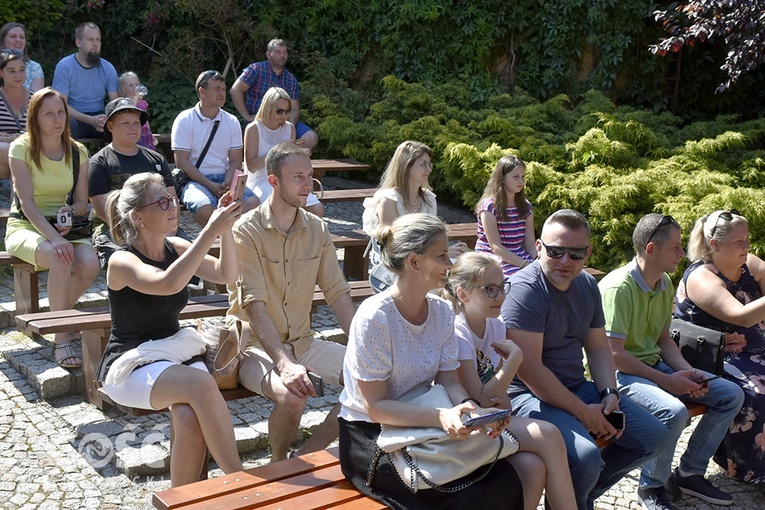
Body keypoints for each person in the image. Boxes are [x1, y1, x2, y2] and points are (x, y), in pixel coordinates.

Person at [338, 213, 525, 510]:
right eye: (441, 256)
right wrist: (441, 416)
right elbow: (376, 408)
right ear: (414, 261)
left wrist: (472, 412)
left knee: (505, 480)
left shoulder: (441, 310)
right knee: (470, 496)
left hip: (425, 424)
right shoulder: (375, 317)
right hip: (373, 438)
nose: (450, 265)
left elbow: (451, 381)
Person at [501, 208, 667, 510]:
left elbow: (599, 347)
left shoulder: (587, 285)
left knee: (653, 436)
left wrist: (608, 393)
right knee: (587, 457)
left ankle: (577, 497)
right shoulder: (526, 290)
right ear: (539, 248)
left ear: (587, 253)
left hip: (576, 386)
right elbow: (530, 371)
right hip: (526, 396)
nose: (566, 261)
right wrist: (583, 412)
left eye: (575, 254)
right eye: (556, 251)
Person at [96, 172, 243, 487]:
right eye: (161, 202)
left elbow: (227, 273)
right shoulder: (121, 261)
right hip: (131, 363)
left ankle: (180, 501)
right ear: (138, 217)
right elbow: (167, 283)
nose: (171, 206)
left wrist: (225, 230)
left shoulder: (175, 246)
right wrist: (209, 230)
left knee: (188, 418)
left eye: (172, 198)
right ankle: (243, 483)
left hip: (171, 353)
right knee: (201, 385)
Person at [599, 213, 743, 508]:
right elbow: (615, 356)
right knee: (674, 411)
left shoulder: (664, 282)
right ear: (651, 249)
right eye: (676, 248)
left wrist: (688, 373)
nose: (683, 253)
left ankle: (689, 472)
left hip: (652, 367)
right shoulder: (619, 288)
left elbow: (664, 340)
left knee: (731, 394)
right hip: (617, 375)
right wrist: (667, 381)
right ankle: (651, 486)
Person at [226, 142, 356, 462]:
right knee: (293, 396)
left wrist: (363, 347)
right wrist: (284, 363)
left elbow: (337, 292)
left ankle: (304, 458)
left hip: (304, 342)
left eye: (310, 176)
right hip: (253, 345)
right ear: (273, 181)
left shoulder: (318, 228)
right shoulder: (246, 229)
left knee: (371, 378)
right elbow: (253, 304)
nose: (307, 184)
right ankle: (278, 463)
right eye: (298, 176)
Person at [440, 251, 576, 508]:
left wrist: (501, 403)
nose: (500, 296)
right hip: (461, 425)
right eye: (490, 290)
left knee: (533, 467)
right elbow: (478, 397)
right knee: (548, 435)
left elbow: (497, 394)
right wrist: (516, 358)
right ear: (463, 294)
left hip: (489, 418)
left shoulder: (495, 325)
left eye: (502, 287)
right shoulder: (458, 332)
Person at [5, 88, 100, 368]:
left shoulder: (78, 151)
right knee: (61, 257)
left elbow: (83, 201)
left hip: (64, 226)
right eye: (49, 113)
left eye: (60, 112)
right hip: (26, 225)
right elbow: (26, 202)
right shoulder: (20, 148)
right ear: (35, 118)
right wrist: (52, 237)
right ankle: (61, 338)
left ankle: (58, 316)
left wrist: (70, 212)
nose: (57, 119)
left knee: (90, 264)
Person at [674, 209, 765, 486]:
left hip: (755, 352)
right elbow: (742, 316)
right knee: (758, 392)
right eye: (739, 241)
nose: (747, 246)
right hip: (716, 357)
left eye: (747, 239)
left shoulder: (749, 263)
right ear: (714, 245)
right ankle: (749, 470)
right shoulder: (702, 277)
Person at [88, 97, 184, 268]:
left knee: (190, 254)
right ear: (110, 126)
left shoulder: (156, 159)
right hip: (115, 230)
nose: (133, 127)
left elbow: (172, 199)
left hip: (159, 226)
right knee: (127, 264)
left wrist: (168, 233)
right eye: (125, 123)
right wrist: (141, 235)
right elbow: (104, 211)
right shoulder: (99, 163)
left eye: (136, 123)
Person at [361, 140, 466, 291]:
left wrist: (444, 253)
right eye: (423, 164)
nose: (429, 169)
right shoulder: (389, 200)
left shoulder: (429, 199)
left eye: (429, 164)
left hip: (422, 260)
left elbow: (432, 238)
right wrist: (443, 254)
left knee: (463, 269)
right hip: (396, 267)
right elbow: (397, 249)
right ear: (406, 165)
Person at [171, 70, 259, 226]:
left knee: (253, 203)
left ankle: (226, 236)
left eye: (224, 89)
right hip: (195, 180)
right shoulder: (185, 119)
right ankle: (223, 236)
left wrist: (226, 184)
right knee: (205, 209)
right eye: (217, 89)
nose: (222, 93)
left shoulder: (231, 121)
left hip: (225, 178)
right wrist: (211, 186)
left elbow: (235, 160)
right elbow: (182, 162)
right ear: (202, 92)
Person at [243, 86, 323, 217]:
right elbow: (252, 167)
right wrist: (276, 150)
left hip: (287, 179)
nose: (284, 115)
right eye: (279, 111)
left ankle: (300, 236)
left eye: (287, 111)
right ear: (267, 108)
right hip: (261, 180)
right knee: (280, 208)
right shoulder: (253, 129)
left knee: (317, 209)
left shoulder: (289, 128)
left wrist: (297, 151)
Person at [230, 39, 318, 149]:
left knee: (311, 138)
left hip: (283, 121)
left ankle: (286, 158)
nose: (282, 55)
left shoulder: (291, 79)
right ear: (268, 54)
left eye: (285, 52)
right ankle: (279, 155)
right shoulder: (256, 69)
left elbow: (294, 109)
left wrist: (290, 126)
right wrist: (247, 116)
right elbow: (235, 90)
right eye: (278, 52)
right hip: (260, 121)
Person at [52, 22, 119, 139]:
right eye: (90, 39)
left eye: (98, 40)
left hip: (100, 118)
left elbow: (116, 103)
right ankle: (74, 158)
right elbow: (61, 104)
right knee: (66, 126)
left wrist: (108, 120)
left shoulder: (107, 67)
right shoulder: (65, 66)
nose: (95, 44)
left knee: (120, 126)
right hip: (75, 118)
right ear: (78, 42)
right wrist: (89, 120)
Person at [474, 155, 537, 278]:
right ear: (502, 178)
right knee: (517, 279)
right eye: (515, 177)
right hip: (491, 257)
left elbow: (530, 244)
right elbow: (495, 247)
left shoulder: (526, 206)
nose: (521, 181)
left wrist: (538, 260)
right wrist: (523, 264)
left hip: (518, 253)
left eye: (523, 177)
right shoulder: (489, 207)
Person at [0, 48, 32, 179]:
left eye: (22, 70)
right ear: (1, 73)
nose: (18, 75)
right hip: (3, 155)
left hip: (30, 149)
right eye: (12, 71)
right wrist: (9, 139)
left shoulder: (36, 99)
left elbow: (44, 131)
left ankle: (17, 197)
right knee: (6, 149)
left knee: (17, 152)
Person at [0, 23, 44, 92]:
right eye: (13, 36)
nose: (18, 40)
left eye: (22, 37)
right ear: (3, 41)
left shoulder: (34, 67)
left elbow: (36, 98)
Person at [118, 71, 155, 150]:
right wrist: (136, 97)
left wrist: (150, 133)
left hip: (144, 132)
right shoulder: (125, 102)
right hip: (133, 131)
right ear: (124, 90)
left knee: (148, 151)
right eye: (131, 85)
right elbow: (130, 110)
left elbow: (146, 120)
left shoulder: (142, 103)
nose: (135, 87)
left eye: (136, 84)